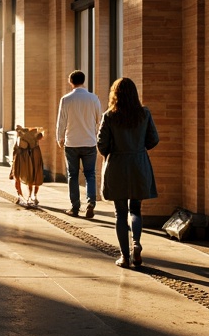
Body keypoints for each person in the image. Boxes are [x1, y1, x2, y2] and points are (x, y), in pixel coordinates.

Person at [97, 77, 159, 268]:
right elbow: (154, 139)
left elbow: (102, 144)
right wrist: (139, 147)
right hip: (139, 165)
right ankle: (137, 244)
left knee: (120, 213)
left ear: (114, 94)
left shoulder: (109, 116)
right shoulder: (144, 114)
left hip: (117, 166)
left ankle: (124, 256)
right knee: (136, 210)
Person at [55, 70, 103, 218]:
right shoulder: (93, 98)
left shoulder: (66, 99)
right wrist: (95, 135)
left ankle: (75, 207)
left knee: (72, 175)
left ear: (71, 82)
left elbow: (61, 121)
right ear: (84, 80)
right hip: (89, 142)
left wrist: (59, 138)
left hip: (72, 143)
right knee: (90, 174)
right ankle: (91, 203)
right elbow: (99, 120)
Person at [8, 126, 45, 207]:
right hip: (21, 154)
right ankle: (22, 196)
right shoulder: (22, 139)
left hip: (31, 154)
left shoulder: (35, 146)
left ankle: (31, 196)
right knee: (18, 175)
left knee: (34, 174)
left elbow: (40, 134)